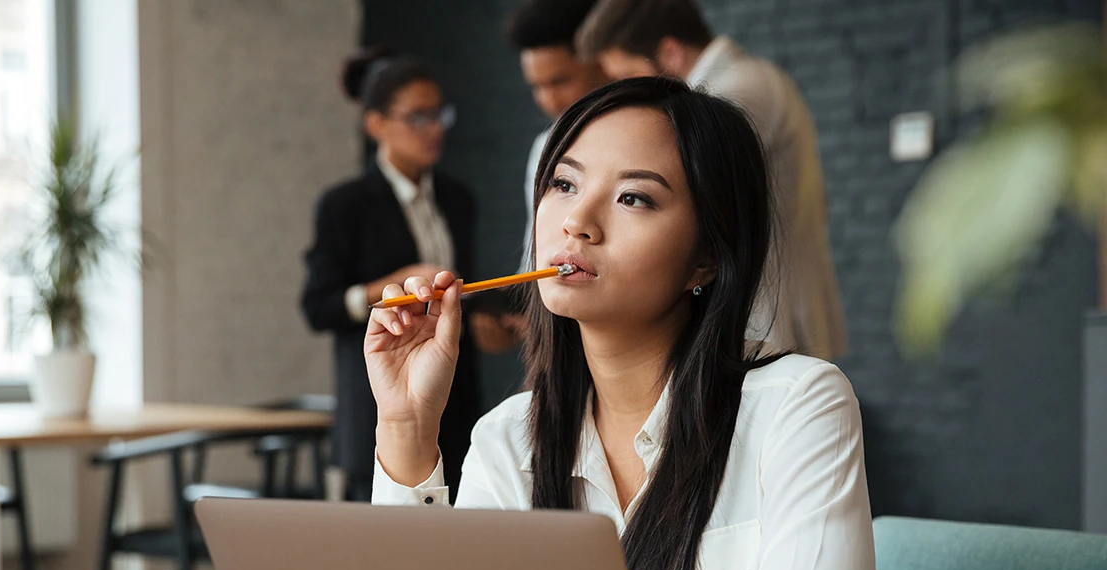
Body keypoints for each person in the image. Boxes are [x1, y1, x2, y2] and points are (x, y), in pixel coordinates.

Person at [365, 77, 874, 570]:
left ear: (705, 257)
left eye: (633, 197)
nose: (576, 222)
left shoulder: (797, 407)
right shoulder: (508, 438)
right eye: (564, 184)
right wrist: (407, 426)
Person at [576, 0, 848, 361]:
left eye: (628, 76)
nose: (629, 94)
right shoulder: (754, 79)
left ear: (670, 53)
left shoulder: (732, 94)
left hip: (767, 319)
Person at [300, 49, 479, 502]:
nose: (435, 128)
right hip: (378, 405)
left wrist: (483, 322)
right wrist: (389, 286)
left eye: (439, 114)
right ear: (376, 124)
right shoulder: (345, 205)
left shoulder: (458, 199)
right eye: (418, 116)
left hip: (455, 403)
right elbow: (318, 306)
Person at [469, 0, 611, 355]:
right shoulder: (544, 148)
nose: (548, 100)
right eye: (537, 85)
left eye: (560, 80)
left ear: (602, 58)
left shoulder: (660, 137)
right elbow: (536, 258)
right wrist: (509, 311)